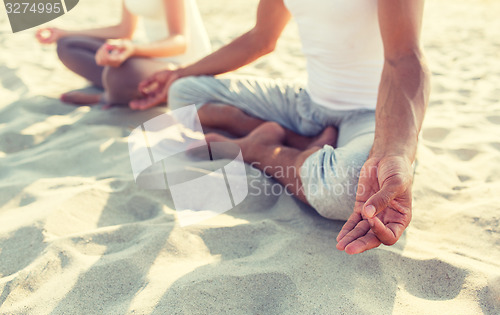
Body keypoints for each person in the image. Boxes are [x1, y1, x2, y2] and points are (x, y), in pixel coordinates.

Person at [130, 0, 431, 254]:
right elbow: (261, 39)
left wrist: (397, 152)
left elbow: (405, 57)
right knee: (184, 92)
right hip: (307, 105)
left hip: (372, 115)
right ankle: (292, 138)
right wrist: (179, 73)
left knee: (356, 188)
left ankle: (258, 149)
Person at [35, 0, 210, 106]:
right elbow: (123, 30)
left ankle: (103, 97)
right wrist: (65, 32)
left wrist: (134, 50)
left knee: (120, 73)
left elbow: (180, 42)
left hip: (184, 64)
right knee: (67, 46)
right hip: (151, 59)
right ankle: (121, 88)